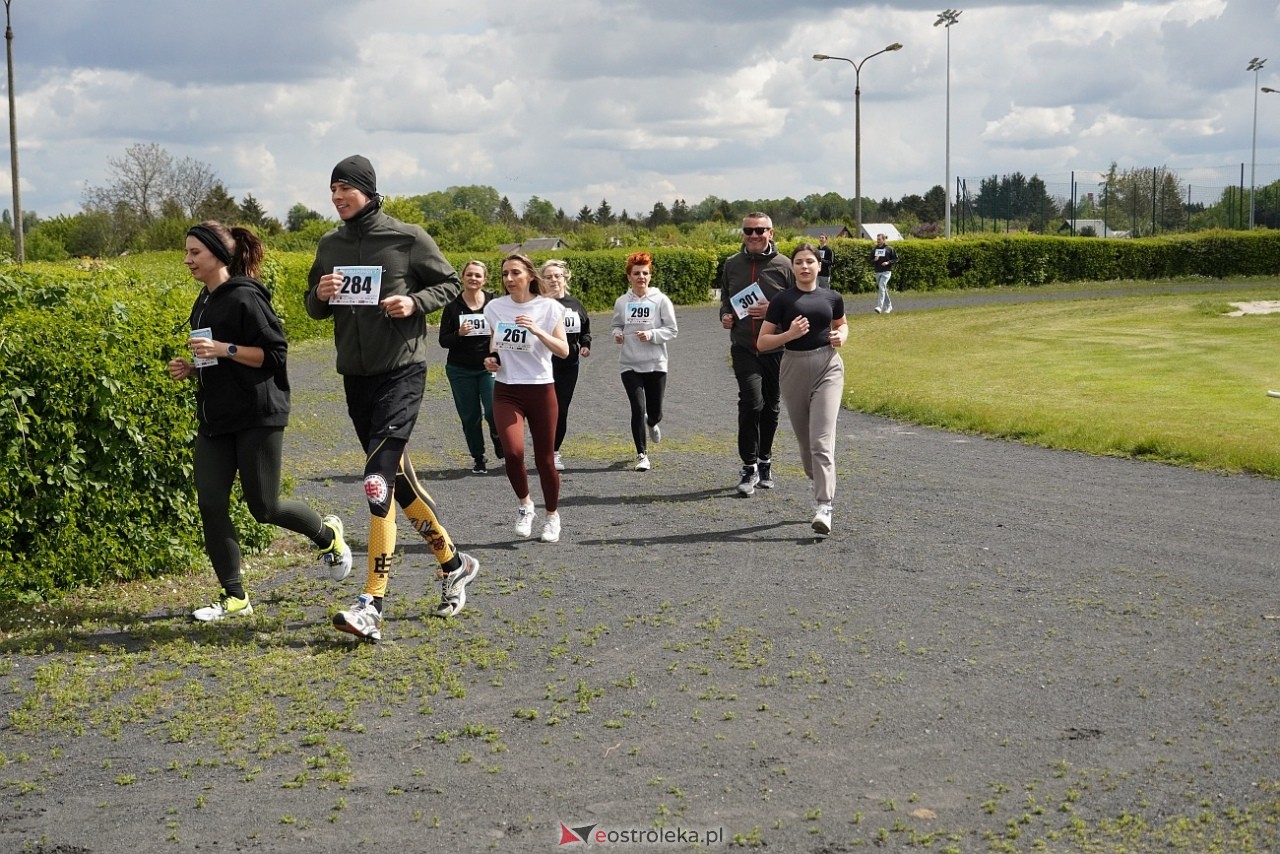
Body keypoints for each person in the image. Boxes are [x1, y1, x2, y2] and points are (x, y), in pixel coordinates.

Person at [305, 154, 478, 641]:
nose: (337, 198)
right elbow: (314, 309)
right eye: (332, 190)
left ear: (368, 189)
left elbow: (448, 283)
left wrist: (413, 302)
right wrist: (320, 292)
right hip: (355, 379)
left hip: (401, 372)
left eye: (345, 189)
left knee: (376, 482)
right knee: (396, 483)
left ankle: (371, 603)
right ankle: (454, 563)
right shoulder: (330, 243)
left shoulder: (406, 236)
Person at [169, 221, 352, 622]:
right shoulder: (203, 300)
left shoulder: (245, 298)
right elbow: (215, 359)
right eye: (187, 252)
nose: (187, 260)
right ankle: (234, 596)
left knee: (265, 507)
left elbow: (274, 354)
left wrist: (224, 347)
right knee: (211, 502)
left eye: (194, 253)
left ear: (218, 254)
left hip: (258, 413)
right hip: (217, 417)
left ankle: (327, 535)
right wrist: (194, 368)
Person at [756, 243, 848, 536]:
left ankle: (824, 506)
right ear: (793, 267)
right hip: (793, 367)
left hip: (828, 366)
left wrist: (841, 336)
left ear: (819, 266)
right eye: (799, 262)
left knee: (821, 440)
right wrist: (789, 334)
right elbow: (762, 343)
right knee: (807, 444)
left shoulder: (832, 297)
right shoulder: (782, 300)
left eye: (810, 261)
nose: (805, 266)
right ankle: (819, 475)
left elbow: (842, 324)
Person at [483, 254, 570, 543]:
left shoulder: (549, 308)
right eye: (505, 273)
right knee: (513, 452)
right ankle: (525, 505)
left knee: (545, 460)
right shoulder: (495, 307)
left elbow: (563, 351)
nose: (508, 279)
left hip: (541, 389)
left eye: (515, 273)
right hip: (507, 389)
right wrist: (491, 359)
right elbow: (494, 342)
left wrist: (537, 330)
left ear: (530, 276)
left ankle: (552, 517)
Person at [719, 212, 796, 496]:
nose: (753, 235)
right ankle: (749, 466)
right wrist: (725, 314)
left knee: (771, 406)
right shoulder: (732, 265)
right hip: (744, 346)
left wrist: (772, 312)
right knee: (751, 401)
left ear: (771, 233)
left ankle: (765, 461)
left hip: (776, 347)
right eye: (748, 231)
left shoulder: (785, 265)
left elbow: (798, 306)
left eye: (759, 230)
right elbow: (727, 299)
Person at [611, 251, 678, 471]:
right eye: (637, 273)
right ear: (629, 276)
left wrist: (652, 335)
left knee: (655, 411)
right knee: (637, 409)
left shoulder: (660, 300)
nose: (641, 277)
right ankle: (642, 455)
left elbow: (671, 330)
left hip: (656, 362)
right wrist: (617, 335)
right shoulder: (622, 302)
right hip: (629, 364)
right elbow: (616, 325)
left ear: (650, 276)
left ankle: (653, 422)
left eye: (645, 273)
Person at [439, 260, 503, 474]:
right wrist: (459, 333)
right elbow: (443, 340)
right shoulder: (452, 305)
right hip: (460, 369)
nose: (473, 279)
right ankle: (479, 457)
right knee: (470, 416)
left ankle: (498, 437)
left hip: (489, 367)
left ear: (484, 279)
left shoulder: (494, 303)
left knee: (494, 411)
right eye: (470, 275)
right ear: (463, 277)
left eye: (478, 275)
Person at [540, 259, 591, 472]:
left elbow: (585, 329)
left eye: (557, 276)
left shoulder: (575, 304)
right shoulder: (538, 304)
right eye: (549, 276)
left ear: (565, 278)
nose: (553, 280)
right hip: (543, 364)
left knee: (561, 409)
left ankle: (554, 452)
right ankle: (542, 449)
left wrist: (585, 345)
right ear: (542, 280)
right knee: (543, 410)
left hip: (569, 365)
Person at [871, 233, 898, 314]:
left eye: (879, 239)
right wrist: (874, 260)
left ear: (883, 240)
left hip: (887, 272)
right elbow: (870, 260)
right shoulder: (874, 249)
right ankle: (889, 306)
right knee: (883, 289)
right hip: (878, 272)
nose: (877, 241)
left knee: (881, 286)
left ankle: (879, 307)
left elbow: (896, 259)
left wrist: (888, 262)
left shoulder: (889, 249)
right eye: (877, 239)